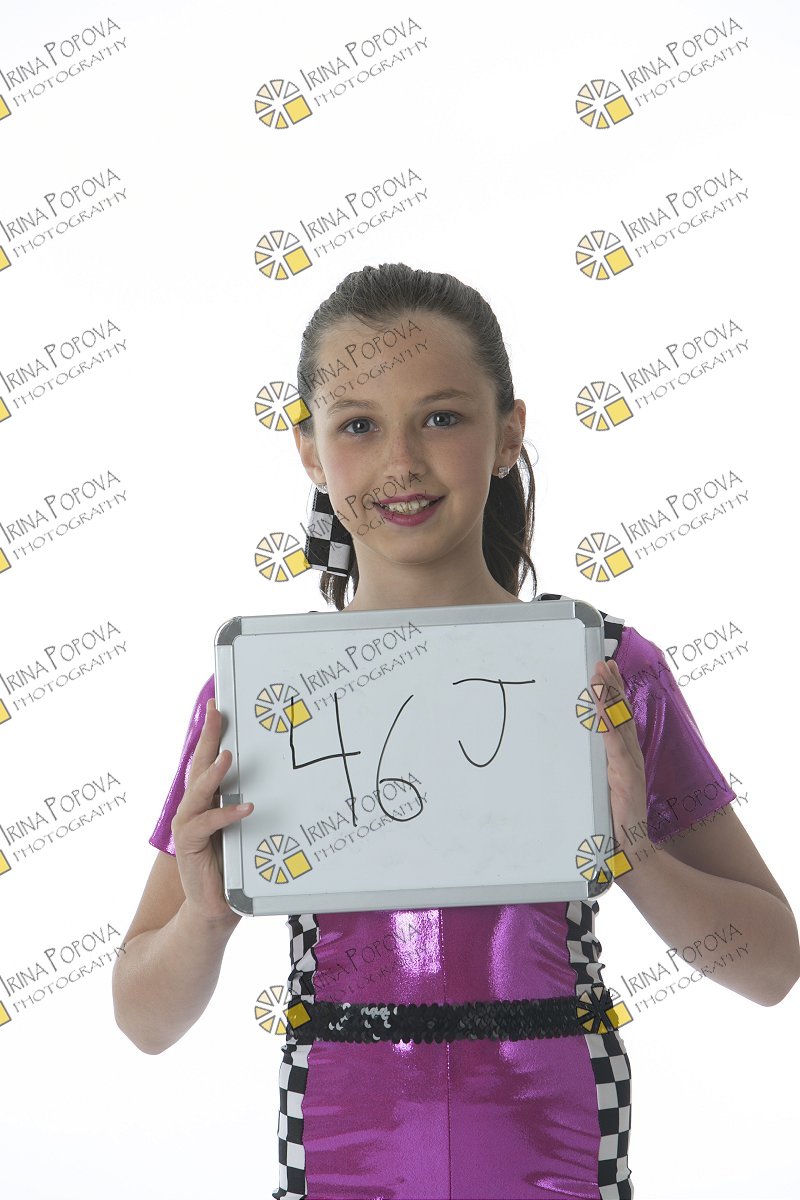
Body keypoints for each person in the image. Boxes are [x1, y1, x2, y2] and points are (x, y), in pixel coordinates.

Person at [113, 263, 799, 1200]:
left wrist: (633, 854)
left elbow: (771, 968)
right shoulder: (266, 690)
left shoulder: (600, 668)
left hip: (559, 1143)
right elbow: (144, 1021)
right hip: (338, 1147)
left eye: (441, 417)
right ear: (309, 449)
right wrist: (206, 912)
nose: (401, 462)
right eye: (358, 425)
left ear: (509, 431)